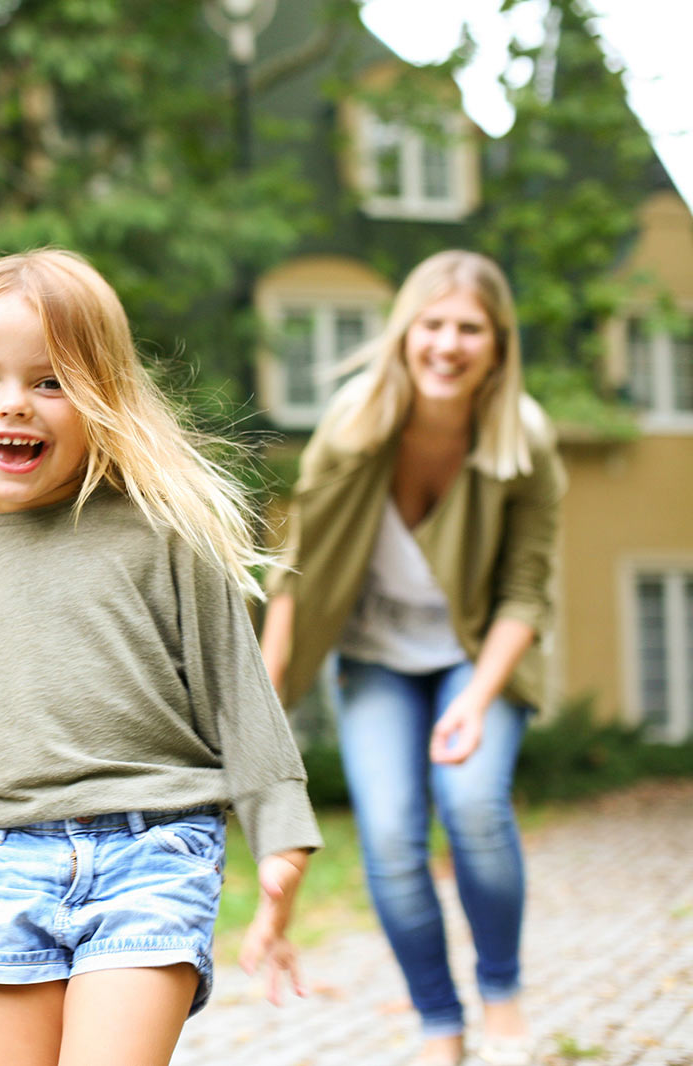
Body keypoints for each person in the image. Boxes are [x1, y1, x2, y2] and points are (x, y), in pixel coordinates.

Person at [0, 249, 323, 1066]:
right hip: (5, 865)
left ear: (103, 397)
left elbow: (240, 699)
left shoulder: (165, 537)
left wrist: (280, 835)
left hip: (153, 851)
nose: (15, 405)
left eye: (50, 381)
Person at [259, 250, 564, 1066]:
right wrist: (263, 699)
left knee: (470, 802)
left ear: (498, 345)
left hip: (474, 653)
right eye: (432, 324)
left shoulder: (523, 441)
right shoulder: (354, 428)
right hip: (376, 657)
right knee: (391, 834)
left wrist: (478, 698)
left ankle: (500, 994)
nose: (448, 344)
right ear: (404, 334)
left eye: (470, 328)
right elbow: (295, 572)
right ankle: (440, 1022)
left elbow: (527, 594)